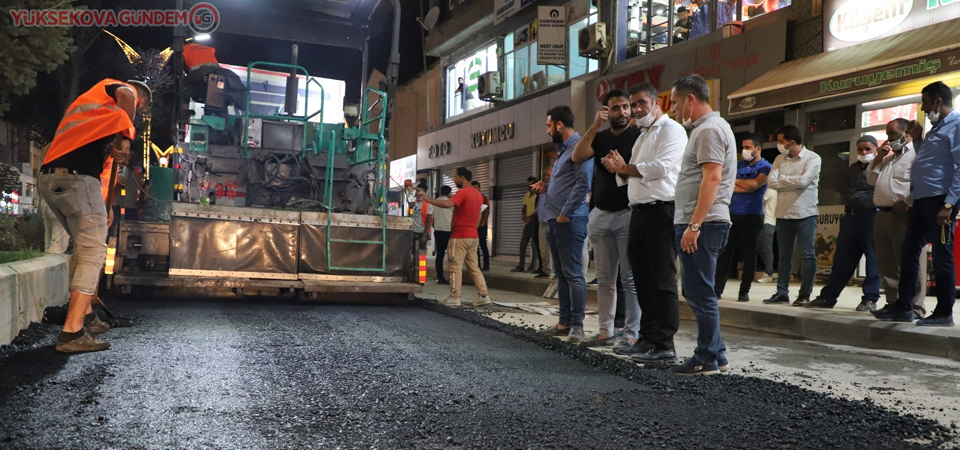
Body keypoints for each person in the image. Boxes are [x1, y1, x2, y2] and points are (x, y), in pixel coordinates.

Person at [38, 78, 151, 353]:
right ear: (142, 101)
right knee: (93, 252)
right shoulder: (118, 88)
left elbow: (104, 173)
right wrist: (126, 137)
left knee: (83, 247)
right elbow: (127, 94)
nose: (138, 112)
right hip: (76, 179)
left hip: (50, 178)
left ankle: (87, 315)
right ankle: (72, 332)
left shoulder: (94, 113)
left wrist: (107, 206)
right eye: (141, 108)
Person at [604, 82, 686, 358]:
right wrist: (619, 168)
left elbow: (662, 167)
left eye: (641, 103)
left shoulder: (672, 130)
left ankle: (665, 343)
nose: (637, 109)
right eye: (634, 104)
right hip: (638, 212)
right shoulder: (642, 136)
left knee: (662, 280)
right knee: (642, 279)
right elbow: (633, 174)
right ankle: (648, 336)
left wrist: (625, 167)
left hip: (661, 210)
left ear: (656, 103)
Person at [876, 81, 960, 326]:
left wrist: (948, 205)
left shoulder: (956, 125)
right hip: (922, 201)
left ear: (937, 101)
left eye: (924, 102)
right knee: (909, 251)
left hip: (940, 201)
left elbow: (959, 167)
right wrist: (919, 139)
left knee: (943, 257)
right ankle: (904, 307)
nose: (923, 109)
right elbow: (932, 162)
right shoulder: (935, 129)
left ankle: (944, 313)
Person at [669, 74, 736, 375]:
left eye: (675, 102)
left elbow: (712, 177)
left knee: (699, 291)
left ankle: (707, 356)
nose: (673, 109)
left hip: (704, 224)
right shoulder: (706, 129)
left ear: (690, 101)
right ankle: (716, 354)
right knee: (698, 290)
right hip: (702, 222)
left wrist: (694, 226)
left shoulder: (709, 130)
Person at [571, 89, 642, 348]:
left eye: (625, 107)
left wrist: (623, 167)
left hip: (628, 213)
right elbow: (577, 156)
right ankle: (605, 332)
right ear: (606, 111)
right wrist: (594, 124)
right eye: (615, 108)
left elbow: (649, 171)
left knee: (630, 279)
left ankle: (632, 334)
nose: (622, 112)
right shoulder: (599, 137)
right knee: (604, 280)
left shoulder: (639, 136)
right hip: (600, 214)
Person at [534, 105, 592, 343]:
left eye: (549, 126)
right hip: (555, 219)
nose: (547, 131)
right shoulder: (562, 151)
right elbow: (568, 184)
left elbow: (583, 184)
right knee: (561, 274)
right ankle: (563, 322)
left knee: (573, 274)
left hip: (570, 220)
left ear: (559, 125)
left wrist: (565, 214)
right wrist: (547, 188)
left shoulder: (580, 148)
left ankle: (577, 326)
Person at [804, 137, 882, 311]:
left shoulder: (880, 166)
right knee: (842, 259)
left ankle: (870, 298)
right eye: (860, 149)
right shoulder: (853, 168)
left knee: (872, 259)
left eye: (868, 149)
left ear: (875, 149)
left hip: (871, 216)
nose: (864, 153)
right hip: (851, 217)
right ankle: (828, 297)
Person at [866, 119, 925, 317]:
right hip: (882, 215)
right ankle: (894, 303)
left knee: (910, 262)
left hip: (904, 215)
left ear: (906, 133)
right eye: (888, 134)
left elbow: (922, 182)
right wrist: (878, 158)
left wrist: (908, 202)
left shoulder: (915, 155)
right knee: (886, 263)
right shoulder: (889, 159)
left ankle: (915, 306)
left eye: (892, 133)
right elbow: (871, 179)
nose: (889, 139)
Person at [763, 125, 821, 306]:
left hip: (805, 213)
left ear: (792, 142)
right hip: (783, 214)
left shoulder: (813, 158)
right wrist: (792, 183)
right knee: (784, 255)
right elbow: (770, 182)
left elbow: (804, 181)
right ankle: (782, 292)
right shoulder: (780, 158)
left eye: (781, 141)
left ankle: (804, 294)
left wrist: (783, 181)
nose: (779, 145)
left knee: (808, 254)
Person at [714, 133, 770, 302]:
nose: (744, 151)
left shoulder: (765, 166)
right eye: (743, 147)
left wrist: (736, 183)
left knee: (749, 254)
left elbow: (754, 185)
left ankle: (744, 291)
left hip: (752, 215)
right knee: (725, 252)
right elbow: (724, 182)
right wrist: (742, 185)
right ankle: (717, 289)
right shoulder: (738, 165)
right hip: (732, 214)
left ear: (757, 149)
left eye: (748, 147)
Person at [423, 167, 490, 307]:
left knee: (454, 266)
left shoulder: (463, 192)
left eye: (456, 177)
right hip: (473, 236)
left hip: (459, 236)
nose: (454, 179)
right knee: (474, 267)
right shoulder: (478, 195)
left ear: (463, 178)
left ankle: (454, 297)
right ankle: (483, 295)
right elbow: (478, 217)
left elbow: (448, 204)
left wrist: (428, 199)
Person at [513, 176, 541, 273]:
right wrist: (524, 215)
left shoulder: (538, 196)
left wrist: (529, 218)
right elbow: (524, 207)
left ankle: (533, 266)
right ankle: (521, 265)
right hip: (528, 222)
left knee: (534, 245)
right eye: (528, 185)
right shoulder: (527, 195)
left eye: (531, 185)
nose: (529, 187)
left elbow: (538, 210)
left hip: (535, 221)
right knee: (523, 244)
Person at [535, 167, 554, 279]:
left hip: (552, 221)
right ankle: (545, 269)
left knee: (553, 248)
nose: (546, 177)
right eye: (544, 175)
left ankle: (556, 270)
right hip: (542, 221)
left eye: (548, 175)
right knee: (543, 248)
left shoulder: (554, 187)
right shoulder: (542, 189)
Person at [433, 186, 454, 285]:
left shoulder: (435, 202)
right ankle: (452, 277)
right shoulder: (450, 203)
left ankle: (440, 277)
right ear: (449, 193)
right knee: (451, 255)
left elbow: (432, 217)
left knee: (440, 255)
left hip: (438, 230)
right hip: (449, 230)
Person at [756, 188, 778, 283]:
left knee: (766, 248)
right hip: (768, 222)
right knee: (761, 248)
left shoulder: (770, 190)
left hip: (768, 222)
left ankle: (768, 273)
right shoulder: (775, 191)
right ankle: (770, 271)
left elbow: (759, 201)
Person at [472, 180, 491, 271]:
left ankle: (486, 265)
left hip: (482, 226)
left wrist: (483, 222)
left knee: (483, 245)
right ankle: (477, 265)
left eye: (476, 188)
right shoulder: (471, 198)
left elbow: (487, 210)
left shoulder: (483, 198)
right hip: (474, 226)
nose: (474, 190)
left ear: (479, 188)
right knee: (475, 247)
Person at [411, 185, 434, 257]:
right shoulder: (413, 203)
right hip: (412, 231)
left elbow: (429, 220)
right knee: (413, 252)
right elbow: (410, 215)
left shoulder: (428, 204)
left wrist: (424, 235)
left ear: (425, 193)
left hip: (421, 232)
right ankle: (414, 266)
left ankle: (422, 268)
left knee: (421, 254)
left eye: (420, 191)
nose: (418, 193)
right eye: (417, 191)